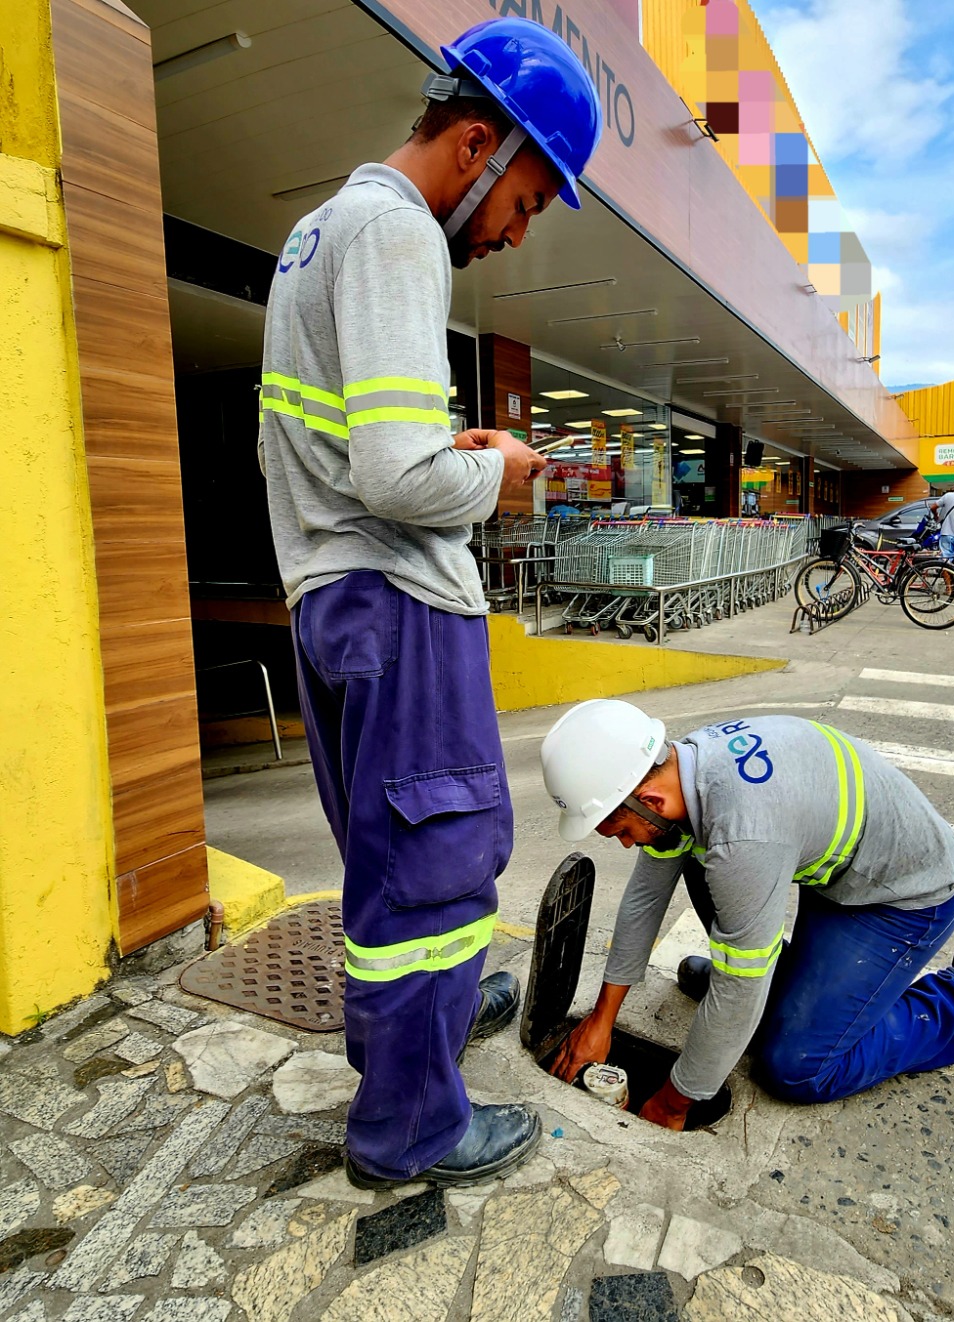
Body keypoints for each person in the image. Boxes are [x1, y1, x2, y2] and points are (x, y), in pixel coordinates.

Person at [258, 17, 602, 1189]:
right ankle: (410, 1125)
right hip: (400, 601)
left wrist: (443, 455)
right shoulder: (400, 234)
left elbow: (363, 448)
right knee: (444, 863)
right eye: (531, 198)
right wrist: (499, 475)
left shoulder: (319, 231)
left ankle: (412, 1030)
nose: (517, 230)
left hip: (337, 599)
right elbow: (400, 478)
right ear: (474, 144)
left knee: (386, 855)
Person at [539, 701, 954, 1129]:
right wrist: (602, 1019)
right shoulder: (681, 765)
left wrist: (676, 1100)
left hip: (903, 897)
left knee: (797, 1065)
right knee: (695, 865)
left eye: (621, 830)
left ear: (648, 799)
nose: (628, 843)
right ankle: (784, 988)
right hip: (837, 875)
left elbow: (740, 985)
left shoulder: (744, 833)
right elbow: (645, 900)